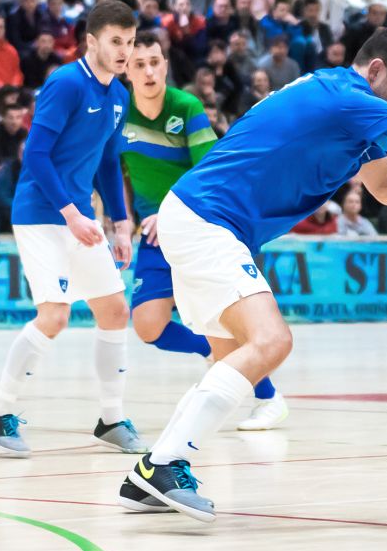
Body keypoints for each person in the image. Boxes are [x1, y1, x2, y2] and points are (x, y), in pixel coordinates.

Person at [119, 27, 387, 522]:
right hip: (209, 219)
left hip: (199, 217)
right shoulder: (350, 99)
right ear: (376, 70)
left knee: (230, 358)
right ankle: (163, 465)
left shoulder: (347, 109)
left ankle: (146, 475)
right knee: (271, 342)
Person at [113, 34, 290, 509]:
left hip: (196, 224)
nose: (149, 72)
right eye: (139, 64)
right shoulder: (119, 114)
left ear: (166, 65)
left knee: (237, 333)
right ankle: (220, 361)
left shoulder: (186, 108)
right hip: (153, 233)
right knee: (148, 327)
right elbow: (116, 171)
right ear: (127, 70)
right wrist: (122, 220)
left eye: (155, 62)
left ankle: (267, 396)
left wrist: (167, 209)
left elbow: (211, 169)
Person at [0, 1, 141, 457]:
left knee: (115, 311)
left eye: (130, 42)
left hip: (80, 218)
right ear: (91, 41)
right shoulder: (66, 83)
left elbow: (108, 161)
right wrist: (71, 213)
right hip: (41, 214)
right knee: (55, 316)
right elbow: (35, 155)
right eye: (115, 41)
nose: (124, 51)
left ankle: (111, 419)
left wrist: (121, 223)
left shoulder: (119, 95)